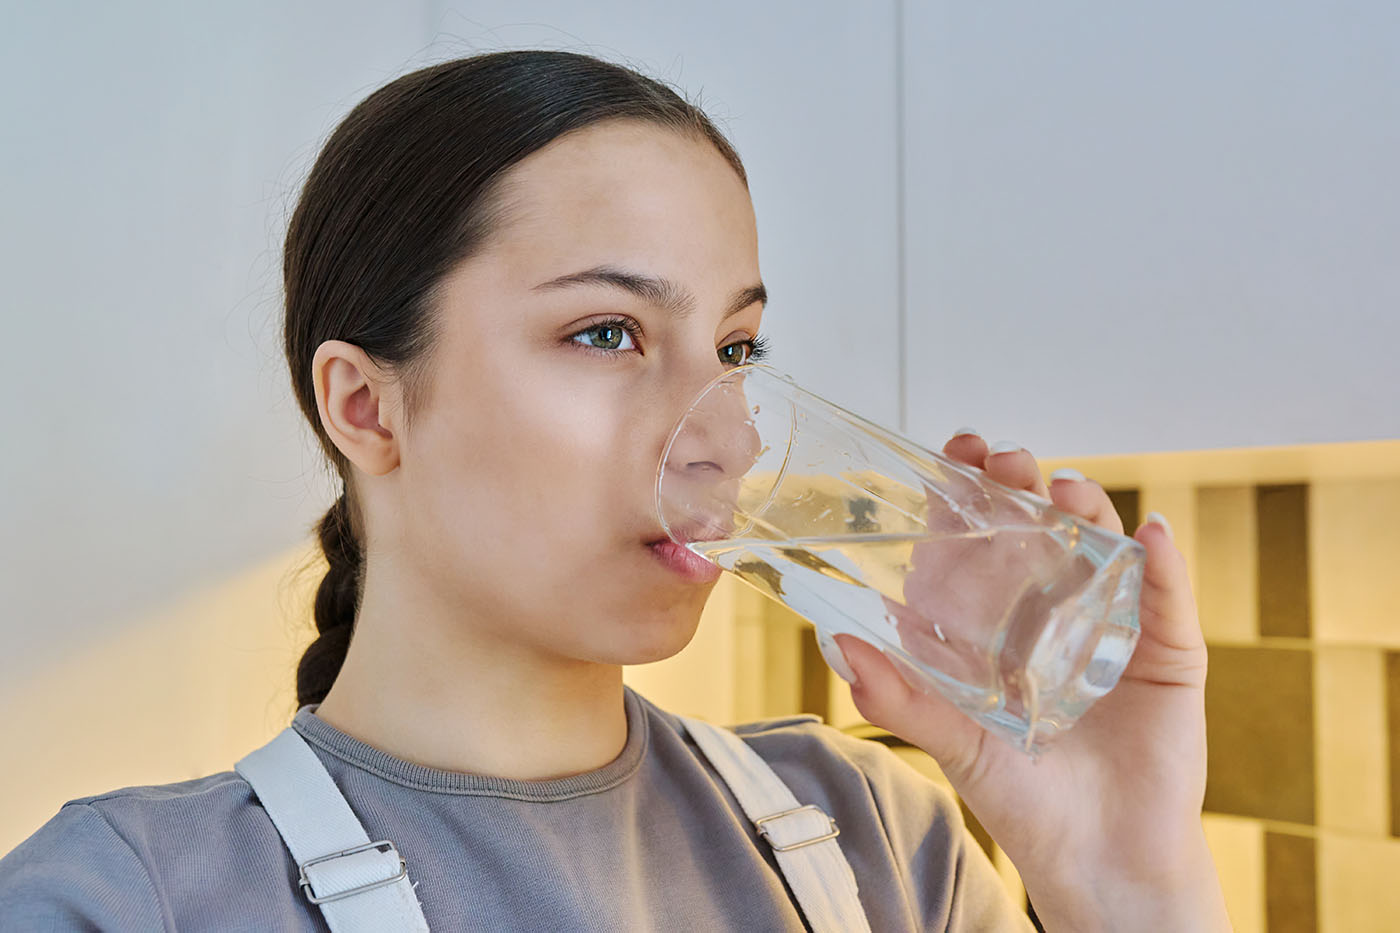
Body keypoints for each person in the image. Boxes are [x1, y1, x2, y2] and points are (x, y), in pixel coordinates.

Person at [0, 50, 1230, 930]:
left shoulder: (871, 840)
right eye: (606, 334)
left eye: (735, 351)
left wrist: (1125, 879)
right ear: (364, 404)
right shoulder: (125, 899)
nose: (729, 440)